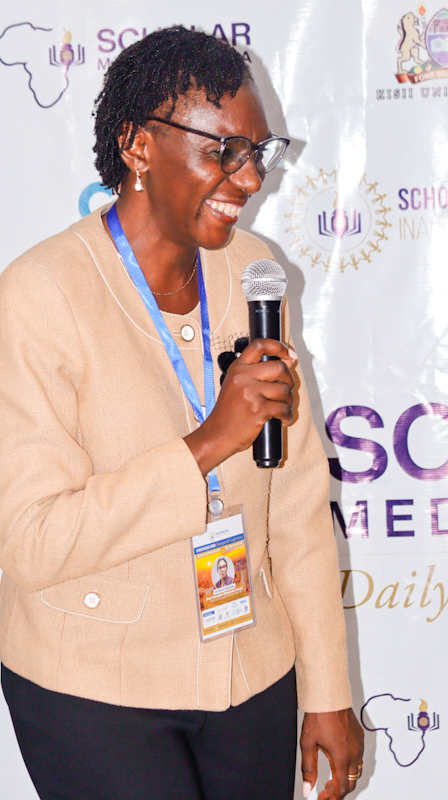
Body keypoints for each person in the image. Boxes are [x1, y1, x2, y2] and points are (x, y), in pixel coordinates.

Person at [0, 26, 363, 800]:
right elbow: (32, 541)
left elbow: (298, 504)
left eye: (259, 152)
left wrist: (327, 688)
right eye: (224, 151)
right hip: (94, 684)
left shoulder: (255, 272)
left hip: (251, 669)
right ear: (138, 146)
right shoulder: (40, 295)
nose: (250, 178)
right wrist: (206, 444)